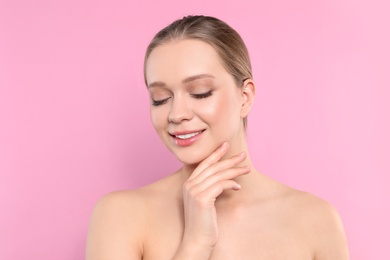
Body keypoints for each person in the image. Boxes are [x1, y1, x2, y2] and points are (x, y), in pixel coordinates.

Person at [86, 15, 349, 259]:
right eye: (161, 98)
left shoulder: (316, 220)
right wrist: (195, 243)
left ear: (244, 97)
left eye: (200, 93)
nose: (176, 114)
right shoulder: (120, 216)